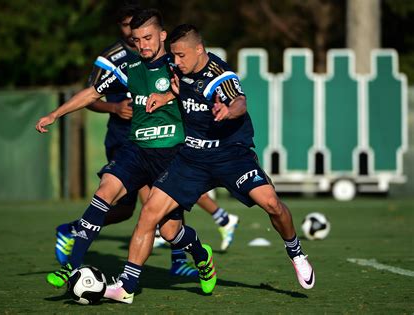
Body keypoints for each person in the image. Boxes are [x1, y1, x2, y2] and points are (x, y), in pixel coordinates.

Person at [104, 24, 315, 304]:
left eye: (180, 56)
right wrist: (167, 96)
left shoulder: (220, 75)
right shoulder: (179, 69)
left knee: (272, 204)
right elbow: (184, 94)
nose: (175, 62)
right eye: (173, 56)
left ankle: (296, 252)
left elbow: (240, 101)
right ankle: (126, 286)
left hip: (231, 155)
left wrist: (228, 110)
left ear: (199, 50)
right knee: (151, 216)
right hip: (192, 157)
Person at [35, 9, 217, 297]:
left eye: (148, 37)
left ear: (162, 35)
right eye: (137, 39)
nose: (143, 45)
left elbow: (206, 86)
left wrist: (174, 96)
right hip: (135, 150)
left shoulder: (178, 65)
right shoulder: (129, 68)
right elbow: (93, 92)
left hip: (172, 156)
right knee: (104, 191)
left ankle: (201, 256)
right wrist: (55, 114)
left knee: (170, 233)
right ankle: (71, 267)